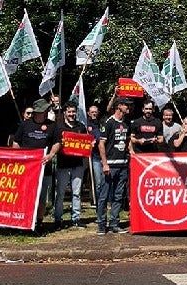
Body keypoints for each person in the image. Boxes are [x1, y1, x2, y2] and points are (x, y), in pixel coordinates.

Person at [12, 99, 57, 233]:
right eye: (44, 110)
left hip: (44, 168)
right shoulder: (25, 125)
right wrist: (19, 158)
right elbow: (16, 142)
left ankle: (39, 222)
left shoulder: (52, 126)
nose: (46, 112)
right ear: (38, 112)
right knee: (25, 196)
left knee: (42, 197)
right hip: (27, 169)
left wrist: (51, 155)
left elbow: (57, 142)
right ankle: (22, 222)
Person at [51, 101, 89, 229]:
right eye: (69, 112)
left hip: (77, 164)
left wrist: (90, 144)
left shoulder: (81, 126)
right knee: (60, 193)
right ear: (65, 113)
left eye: (74, 111)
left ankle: (76, 219)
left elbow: (86, 142)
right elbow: (54, 143)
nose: (72, 114)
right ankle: (57, 218)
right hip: (63, 164)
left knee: (76, 193)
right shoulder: (59, 127)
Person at [97, 97, 131, 234]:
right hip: (110, 165)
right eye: (126, 105)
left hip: (123, 165)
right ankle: (101, 224)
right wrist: (105, 163)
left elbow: (128, 141)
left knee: (118, 195)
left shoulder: (126, 123)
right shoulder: (108, 122)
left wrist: (132, 153)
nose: (128, 107)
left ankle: (114, 223)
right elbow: (101, 144)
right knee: (104, 195)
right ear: (119, 106)